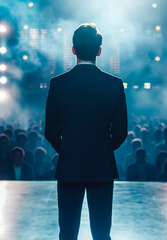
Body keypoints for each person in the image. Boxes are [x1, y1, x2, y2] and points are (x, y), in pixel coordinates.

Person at [45, 23, 127, 240]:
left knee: (68, 233)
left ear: (73, 49)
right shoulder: (114, 84)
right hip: (101, 166)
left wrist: (67, 148)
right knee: (101, 233)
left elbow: (50, 130)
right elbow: (120, 132)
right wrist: (102, 148)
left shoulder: (58, 83)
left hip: (70, 165)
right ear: (99, 51)